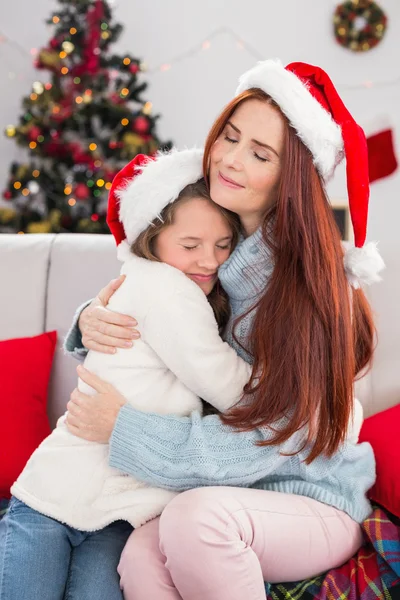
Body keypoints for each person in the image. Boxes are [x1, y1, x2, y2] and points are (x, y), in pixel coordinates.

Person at [65, 60, 384, 600]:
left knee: (194, 518)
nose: (230, 160)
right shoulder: (218, 230)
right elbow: (148, 280)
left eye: (260, 154)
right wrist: (91, 315)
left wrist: (125, 430)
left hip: (313, 499)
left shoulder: (306, 283)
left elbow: (280, 437)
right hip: (226, 492)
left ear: (290, 179)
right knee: (142, 550)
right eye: (229, 137)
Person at [0, 149, 252, 600]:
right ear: (151, 241)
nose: (209, 261)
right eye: (190, 245)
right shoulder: (163, 286)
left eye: (223, 245)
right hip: (55, 497)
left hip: (120, 511)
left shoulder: (195, 290)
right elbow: (230, 386)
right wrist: (299, 394)